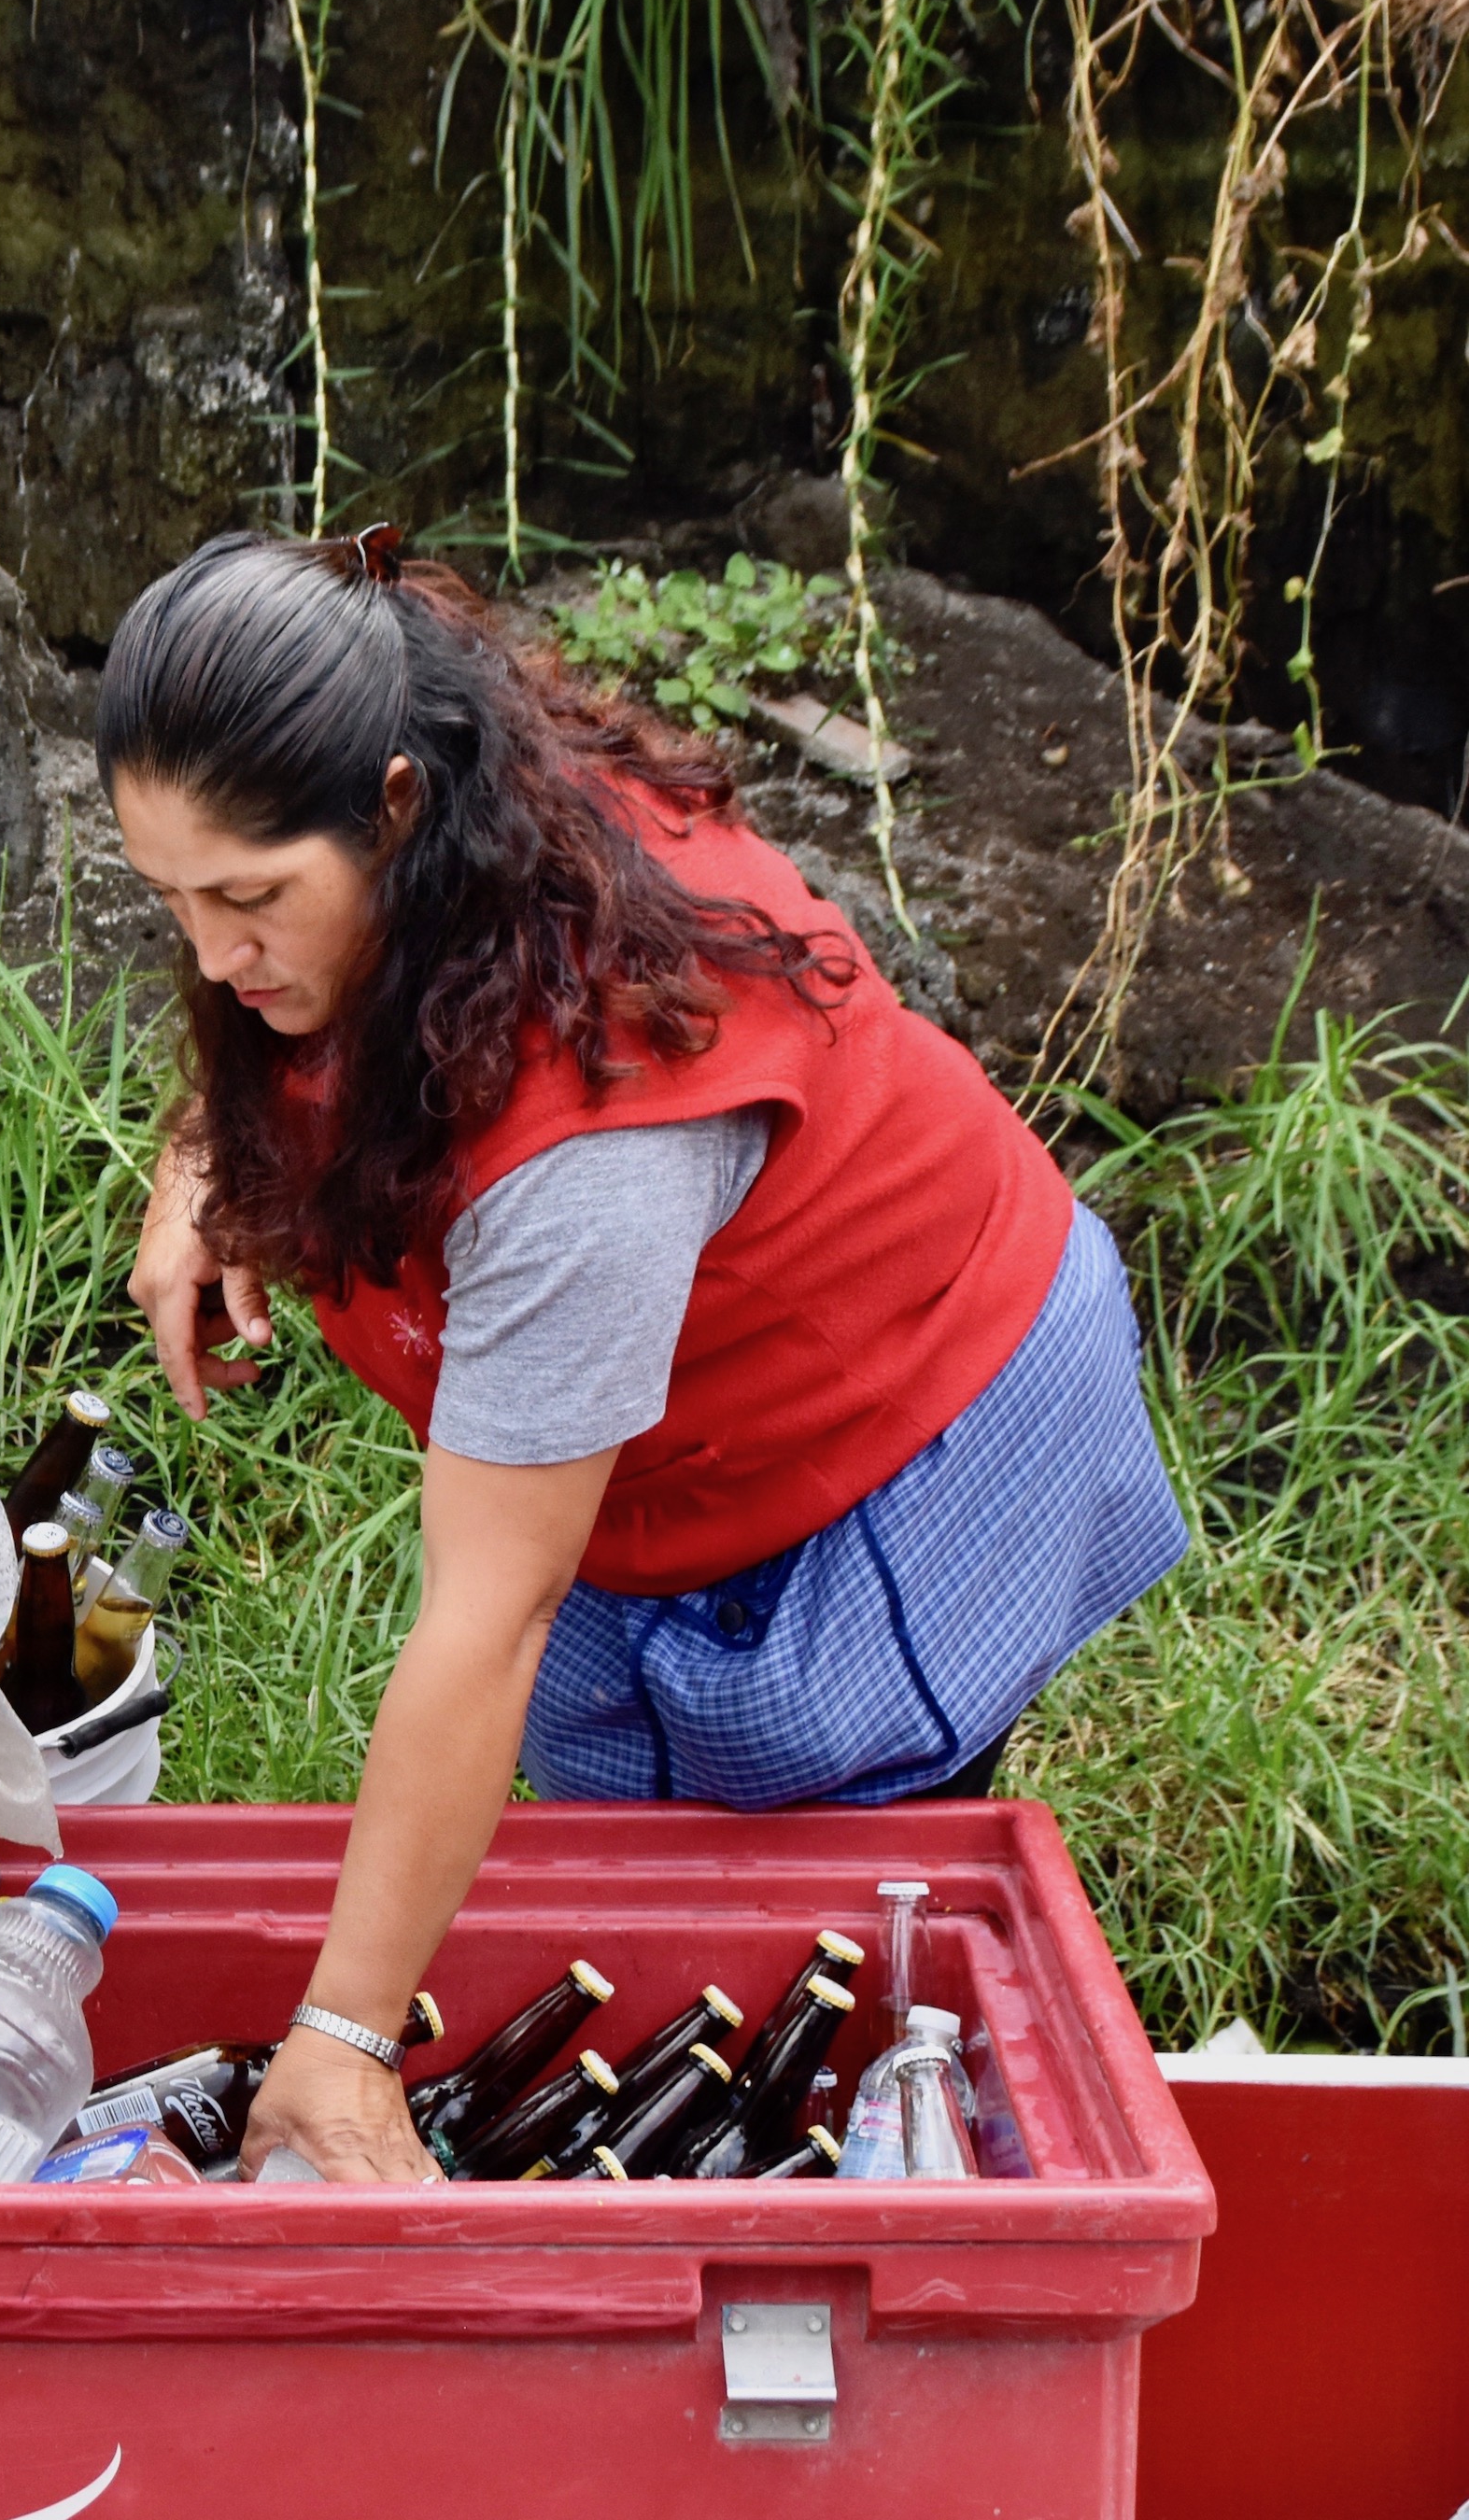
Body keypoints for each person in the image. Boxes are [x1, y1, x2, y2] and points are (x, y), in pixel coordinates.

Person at [101, 526, 1187, 2182]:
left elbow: (494, 1610)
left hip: (918, 1400)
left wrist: (342, 2039)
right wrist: (209, 1153)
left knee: (812, 1934)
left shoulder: (586, 1147)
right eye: (169, 898)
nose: (212, 956)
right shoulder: (457, 799)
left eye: (250, 901)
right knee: (652, 1886)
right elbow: (306, 1007)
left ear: (397, 807)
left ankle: (837, 2221)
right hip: (700, 1365)